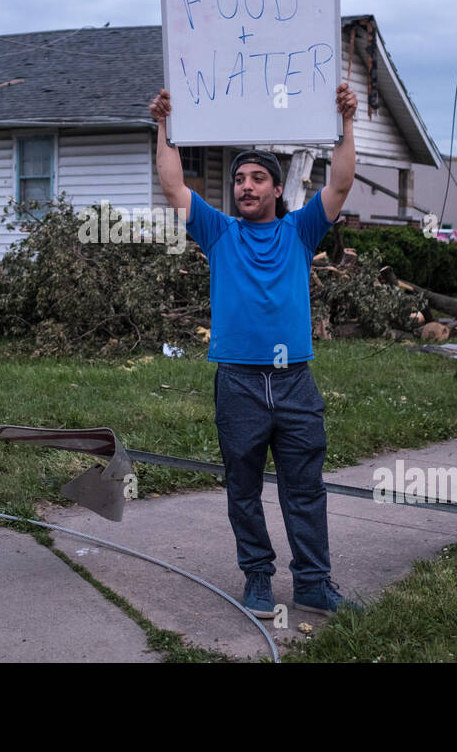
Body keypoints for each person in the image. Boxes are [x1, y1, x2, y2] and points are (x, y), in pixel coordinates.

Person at [148, 82, 359, 618]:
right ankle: (258, 579)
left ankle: (312, 582)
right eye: (239, 178)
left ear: (274, 190)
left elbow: (341, 183)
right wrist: (164, 125)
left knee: (304, 489)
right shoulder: (218, 233)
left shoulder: (300, 231)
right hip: (238, 382)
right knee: (243, 490)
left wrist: (346, 122)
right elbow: (173, 186)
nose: (245, 186)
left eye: (257, 178)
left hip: (294, 382)